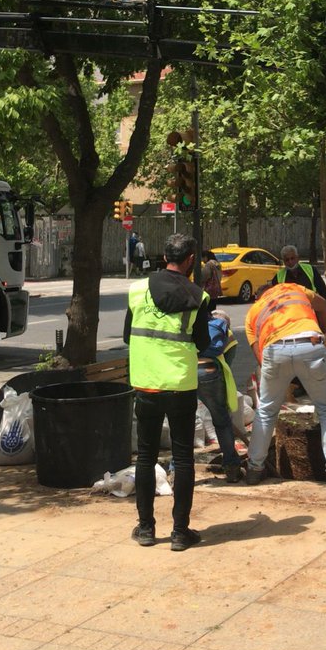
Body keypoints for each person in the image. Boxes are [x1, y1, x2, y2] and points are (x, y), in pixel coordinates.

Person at [123, 233, 210, 551]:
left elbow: (126, 336)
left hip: (146, 383)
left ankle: (146, 528)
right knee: (183, 458)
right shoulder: (198, 297)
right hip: (180, 387)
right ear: (189, 261)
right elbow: (203, 343)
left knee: (145, 457)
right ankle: (179, 531)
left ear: (164, 257)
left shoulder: (137, 291)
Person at [244, 282, 326, 492]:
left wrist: (282, 374)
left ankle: (254, 469)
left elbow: (260, 356)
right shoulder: (292, 288)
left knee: (266, 411)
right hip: (311, 344)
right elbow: (323, 306)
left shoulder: (253, 312)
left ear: (258, 297)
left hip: (274, 350)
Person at [197, 309, 242, 483]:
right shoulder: (229, 336)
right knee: (222, 421)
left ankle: (176, 470)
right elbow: (226, 366)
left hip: (186, 370)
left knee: (182, 420)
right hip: (210, 372)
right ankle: (231, 468)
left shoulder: (194, 323)